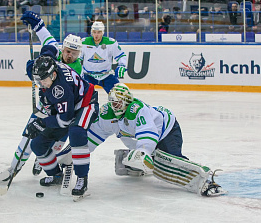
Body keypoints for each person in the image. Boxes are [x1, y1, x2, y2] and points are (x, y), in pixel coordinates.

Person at [86, 83, 227, 197]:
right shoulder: (108, 114)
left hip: (166, 130)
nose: (113, 106)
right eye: (112, 103)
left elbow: (149, 133)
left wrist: (142, 151)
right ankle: (136, 159)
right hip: (145, 136)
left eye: (117, 103)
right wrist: (77, 151)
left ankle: (205, 181)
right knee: (142, 152)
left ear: (126, 102)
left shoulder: (137, 110)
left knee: (171, 160)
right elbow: (94, 136)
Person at [0, 12, 87, 186]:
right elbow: (49, 41)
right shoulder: (55, 54)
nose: (70, 56)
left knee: (52, 146)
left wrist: (33, 69)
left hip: (65, 113)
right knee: (28, 138)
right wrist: (39, 26)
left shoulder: (76, 69)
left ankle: (45, 161)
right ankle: (13, 169)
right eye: (68, 51)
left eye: (74, 53)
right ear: (63, 49)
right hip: (44, 108)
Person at [80, 21, 128, 93]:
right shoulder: (83, 42)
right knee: (82, 96)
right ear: (91, 32)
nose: (96, 35)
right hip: (88, 76)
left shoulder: (111, 43)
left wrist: (122, 65)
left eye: (99, 32)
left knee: (118, 95)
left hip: (106, 75)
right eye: (94, 32)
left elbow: (121, 56)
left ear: (103, 32)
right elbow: (77, 58)